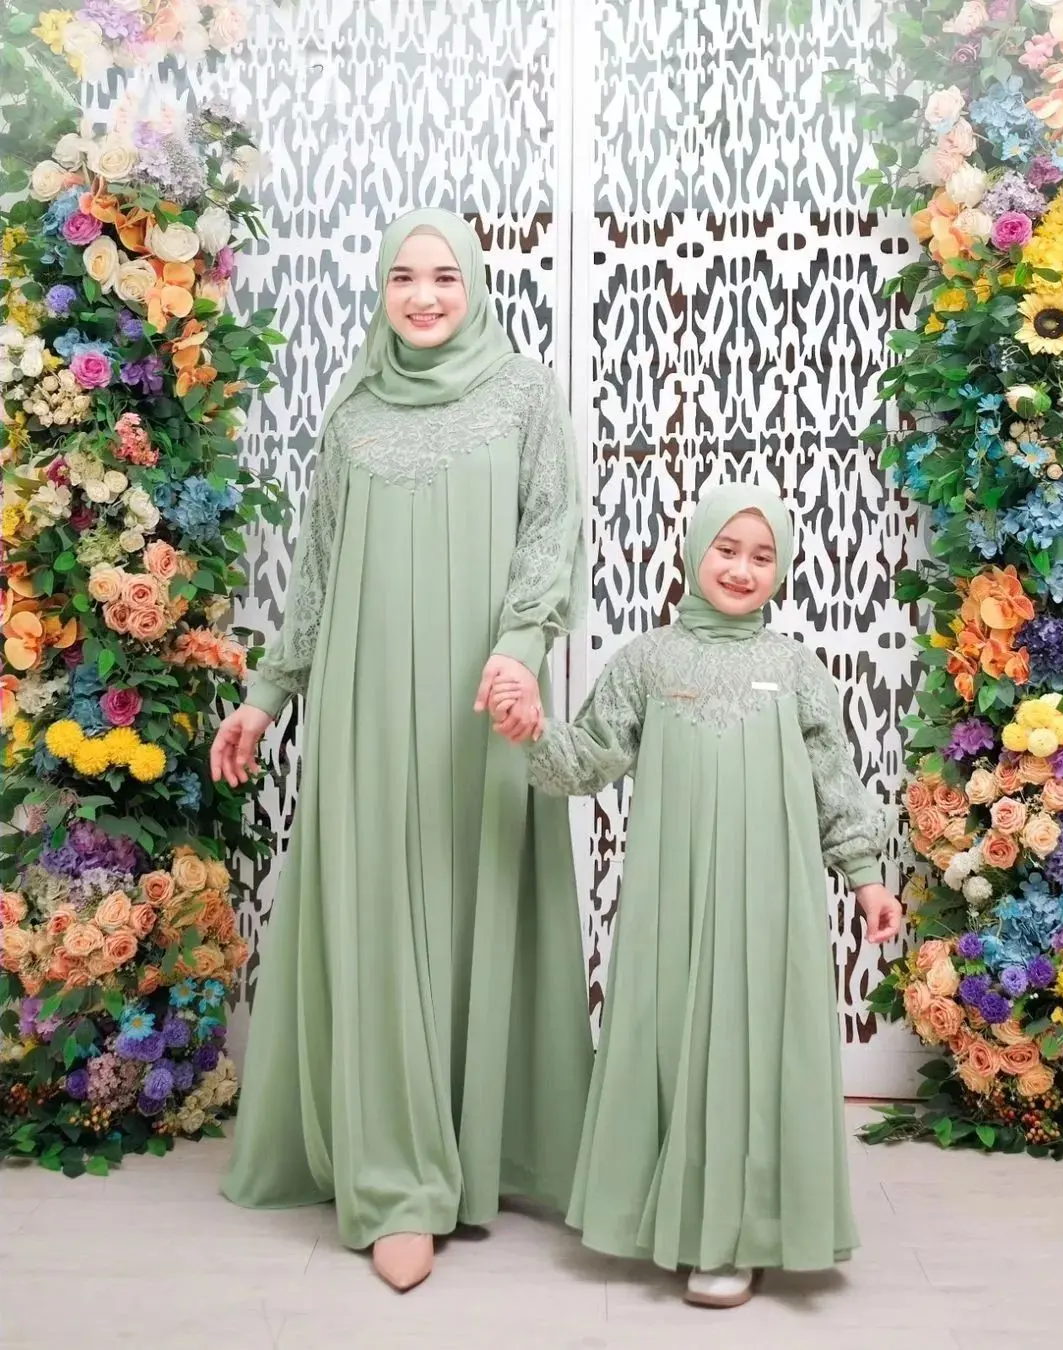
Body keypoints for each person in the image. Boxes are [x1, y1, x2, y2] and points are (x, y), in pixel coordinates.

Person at [213, 209, 593, 1294]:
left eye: (443, 277)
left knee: (475, 896)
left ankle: (488, 1145)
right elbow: (318, 573)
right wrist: (266, 697)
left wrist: (522, 650)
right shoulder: (354, 413)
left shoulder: (523, 394)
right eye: (402, 279)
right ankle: (397, 1181)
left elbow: (551, 531)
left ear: (474, 286)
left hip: (483, 701)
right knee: (381, 913)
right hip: (366, 700)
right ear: (381, 291)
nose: (423, 297)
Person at [490, 482, 901, 1308]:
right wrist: (533, 733)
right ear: (693, 550)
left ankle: (736, 1235)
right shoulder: (647, 662)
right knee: (674, 1041)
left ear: (782, 569)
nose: (742, 570)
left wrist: (865, 878)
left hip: (771, 898)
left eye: (762, 556)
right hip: (670, 895)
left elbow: (833, 780)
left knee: (753, 1045)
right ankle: (671, 1216)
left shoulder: (794, 669)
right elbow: (590, 759)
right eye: (727, 549)